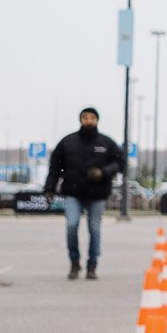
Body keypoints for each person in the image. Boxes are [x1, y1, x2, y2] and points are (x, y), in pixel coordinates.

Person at [43, 108, 127, 280]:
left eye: (92, 118)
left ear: (97, 120)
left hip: (97, 194)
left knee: (94, 229)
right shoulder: (68, 142)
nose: (89, 120)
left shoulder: (106, 143)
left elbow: (120, 163)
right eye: (85, 117)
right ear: (80, 119)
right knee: (71, 225)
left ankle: (92, 265)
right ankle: (74, 262)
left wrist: (103, 172)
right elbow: (55, 167)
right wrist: (49, 188)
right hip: (73, 192)